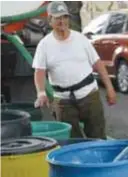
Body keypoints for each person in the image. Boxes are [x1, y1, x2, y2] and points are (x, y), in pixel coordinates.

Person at [32, 1, 116, 139]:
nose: (62, 21)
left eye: (65, 17)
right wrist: (41, 92)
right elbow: (39, 71)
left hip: (89, 95)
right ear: (50, 20)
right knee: (71, 140)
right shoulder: (44, 45)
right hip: (63, 101)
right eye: (58, 18)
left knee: (98, 137)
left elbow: (98, 64)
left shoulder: (80, 39)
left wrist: (110, 88)